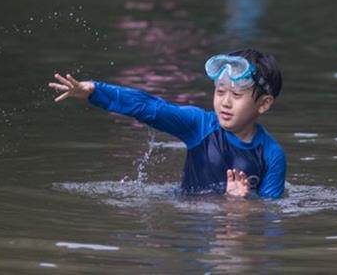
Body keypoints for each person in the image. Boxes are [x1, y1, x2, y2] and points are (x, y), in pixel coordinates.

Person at [49, 49, 286, 198]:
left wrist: (239, 205)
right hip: (191, 228)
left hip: (233, 232)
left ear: (263, 104)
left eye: (235, 96)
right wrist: (95, 91)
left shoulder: (272, 155)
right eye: (220, 91)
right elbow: (150, 107)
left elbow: (271, 217)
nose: (224, 102)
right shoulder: (200, 125)